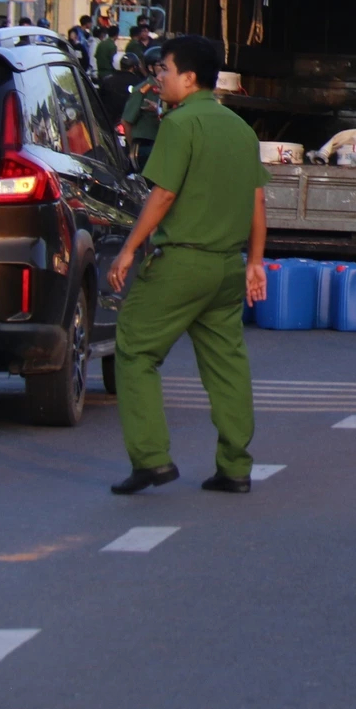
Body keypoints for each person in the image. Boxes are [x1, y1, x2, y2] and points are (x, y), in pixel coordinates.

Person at [104, 34, 269, 496]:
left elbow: (164, 195)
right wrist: (254, 261)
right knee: (227, 366)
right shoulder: (241, 129)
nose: (160, 78)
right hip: (226, 267)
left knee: (135, 351)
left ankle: (151, 459)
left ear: (189, 77)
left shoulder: (179, 125)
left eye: (166, 70)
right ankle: (235, 467)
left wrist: (129, 248)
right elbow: (257, 202)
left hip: (181, 262)